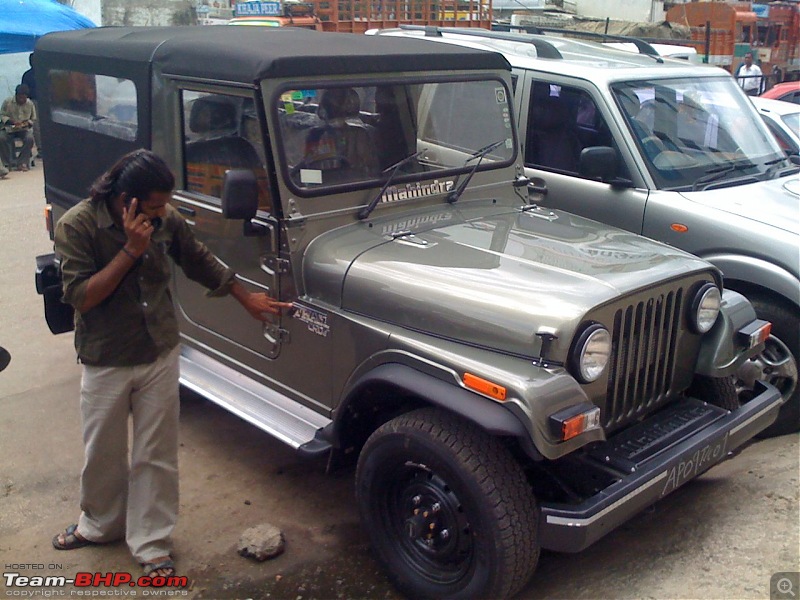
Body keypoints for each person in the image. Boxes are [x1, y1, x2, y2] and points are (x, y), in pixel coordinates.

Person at [51, 149, 292, 578]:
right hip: (106, 358)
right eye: (156, 204)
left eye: (165, 204)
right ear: (126, 200)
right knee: (103, 453)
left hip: (159, 351)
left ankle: (151, 542)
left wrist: (245, 298)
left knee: (156, 454)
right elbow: (82, 297)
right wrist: (131, 250)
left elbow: (197, 257)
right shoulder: (78, 226)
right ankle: (100, 525)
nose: (164, 212)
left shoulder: (165, 219)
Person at [0, 84, 36, 171]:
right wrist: (11, 121)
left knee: (29, 138)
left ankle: (22, 162)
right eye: (20, 97)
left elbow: (33, 118)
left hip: (23, 129)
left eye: (24, 98)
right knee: (1, 137)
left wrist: (27, 123)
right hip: (9, 128)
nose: (22, 100)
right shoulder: (7, 102)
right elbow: (2, 115)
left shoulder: (30, 104)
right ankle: (6, 163)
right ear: (16, 95)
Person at [21, 54, 42, 157]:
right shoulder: (27, 75)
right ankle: (41, 149)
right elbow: (23, 91)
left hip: (46, 102)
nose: (32, 62)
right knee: (36, 127)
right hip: (33, 102)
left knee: (48, 126)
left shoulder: (44, 72)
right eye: (31, 60)